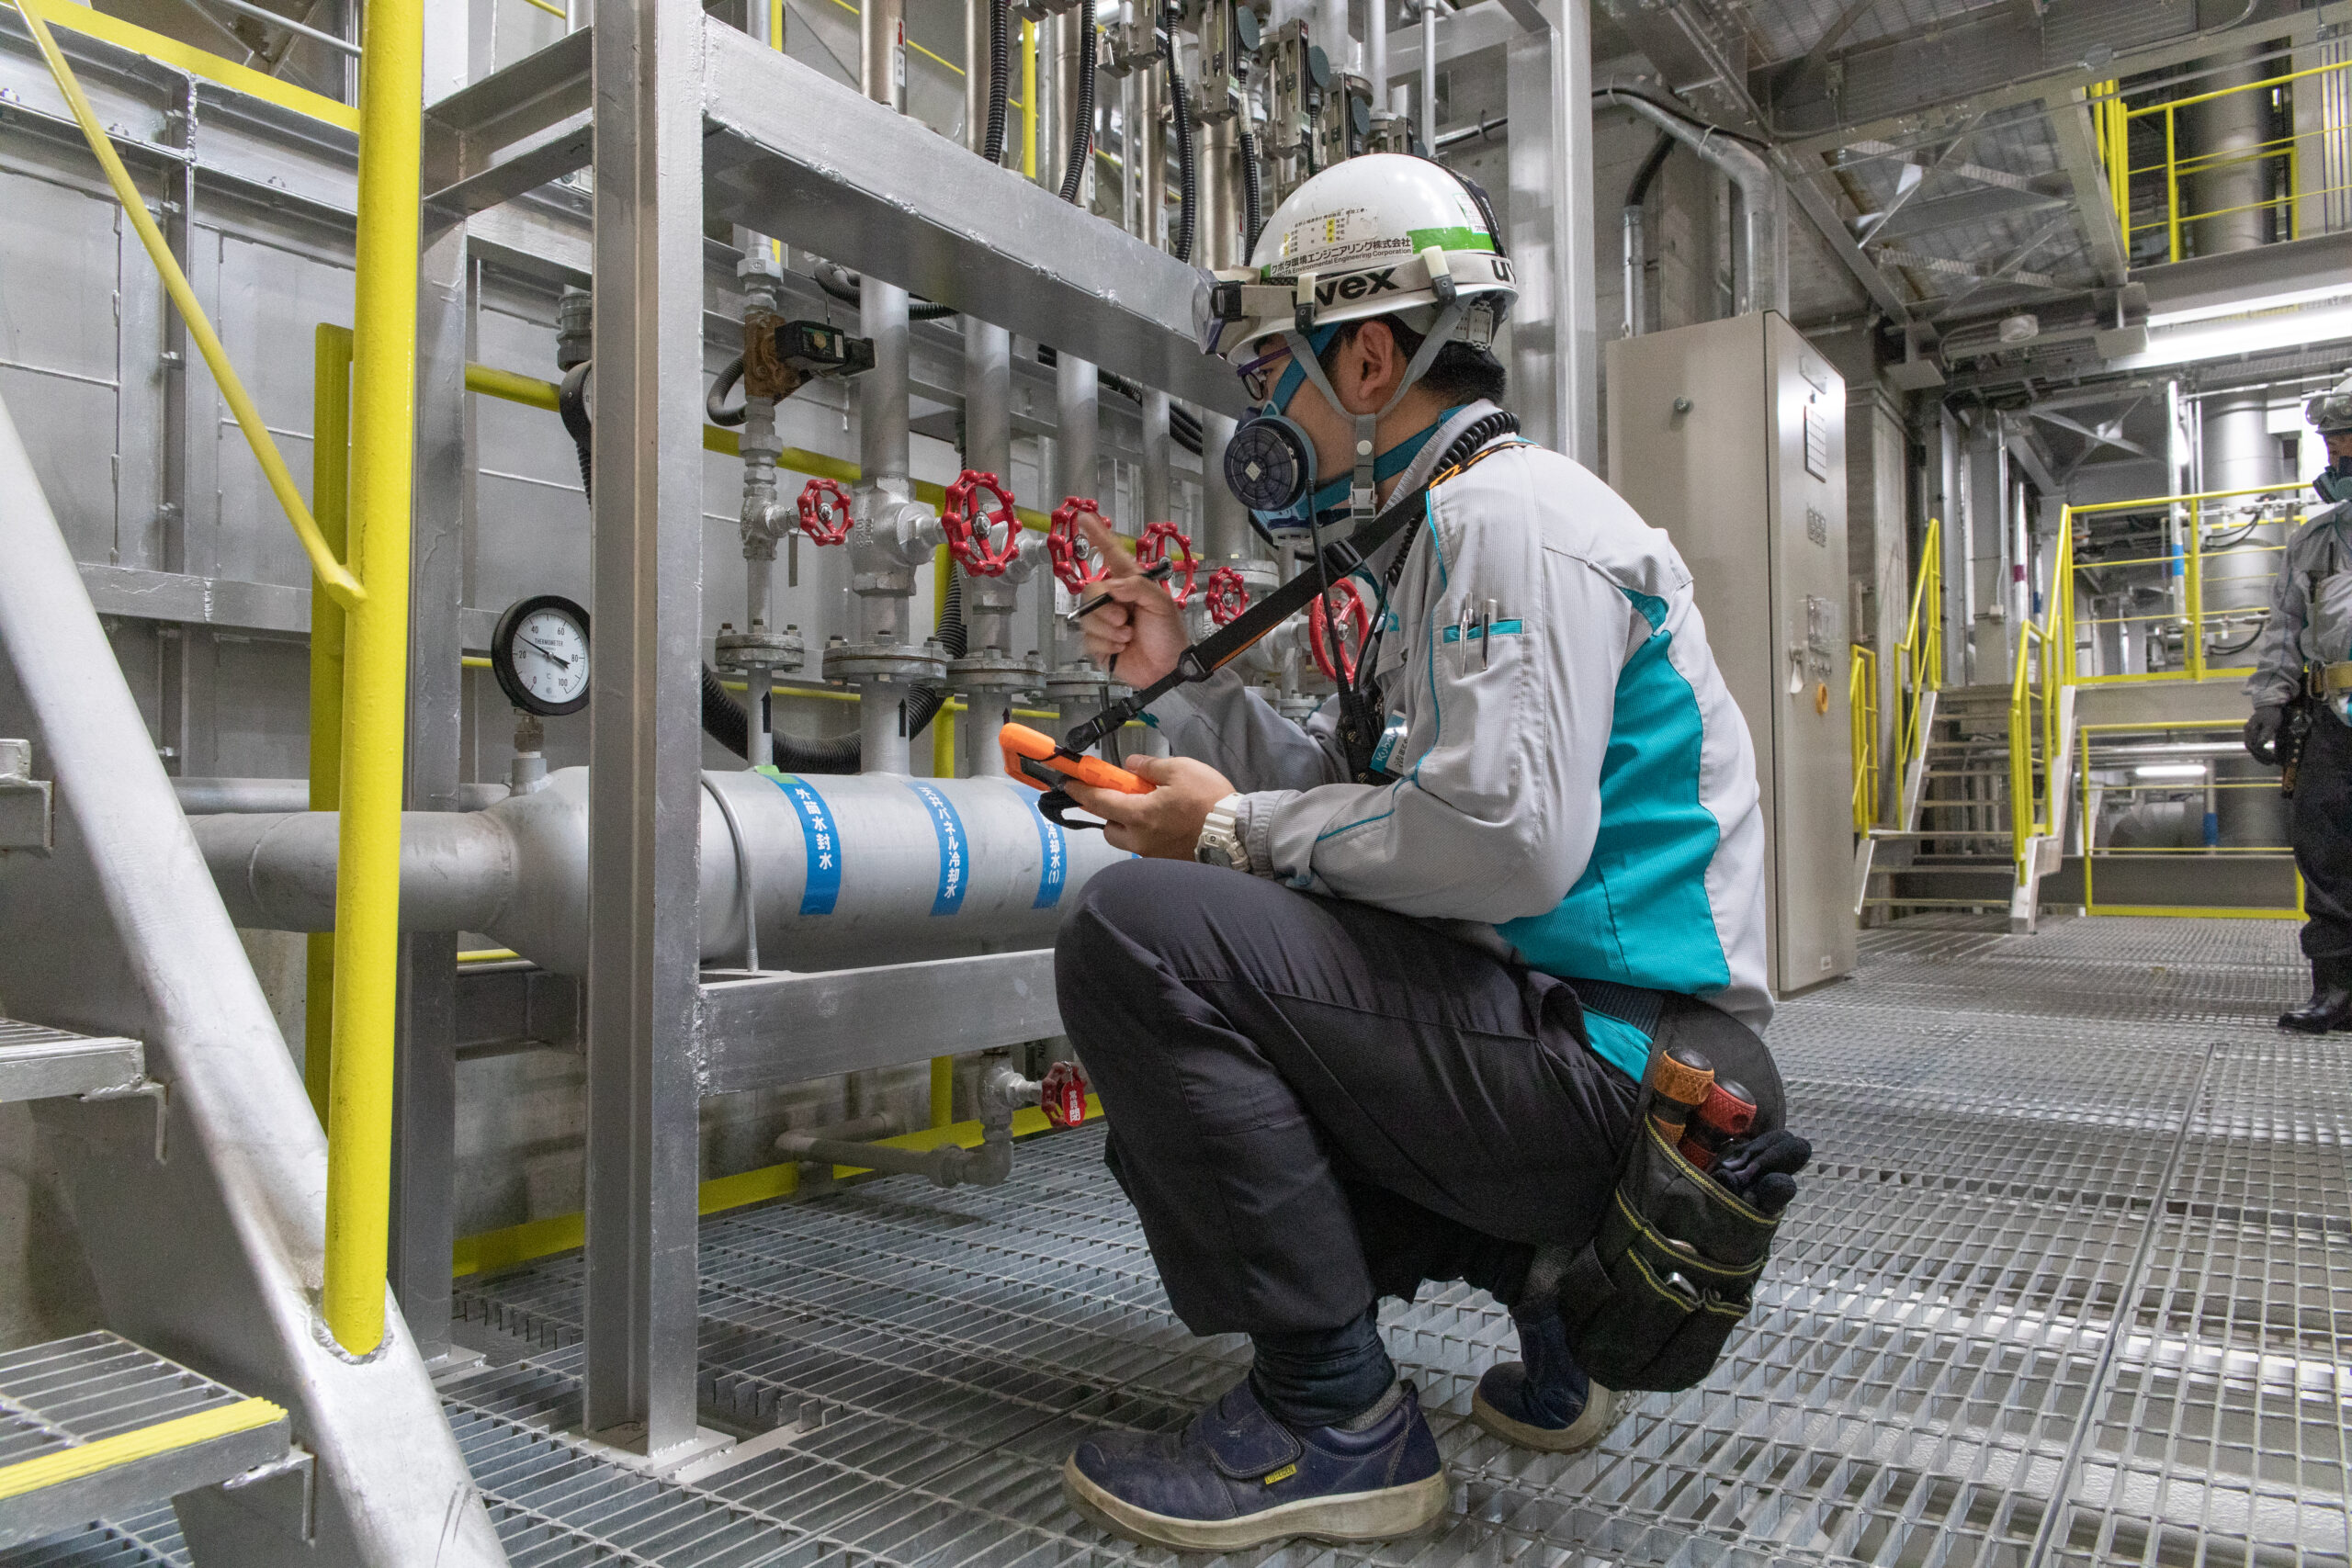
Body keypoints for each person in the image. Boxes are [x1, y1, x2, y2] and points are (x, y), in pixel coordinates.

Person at [1042, 153, 1783, 1552]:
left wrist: (1222, 831)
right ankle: (1554, 1303)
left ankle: (1332, 1418)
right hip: (1614, 1056)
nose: (1259, 418)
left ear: (1370, 358)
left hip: (1615, 1073)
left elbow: (1497, 844)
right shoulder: (1455, 530)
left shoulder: (1508, 524)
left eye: (1272, 374)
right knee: (1224, 963)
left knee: (1137, 937)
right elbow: (1378, 811)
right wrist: (1180, 687)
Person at [2245, 370, 2352, 1031]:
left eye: (2347, 437)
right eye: (2331, 439)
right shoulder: (2315, 539)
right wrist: (2271, 698)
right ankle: (2337, 988)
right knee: (2325, 849)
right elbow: (2286, 626)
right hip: (2333, 717)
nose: (2336, 450)